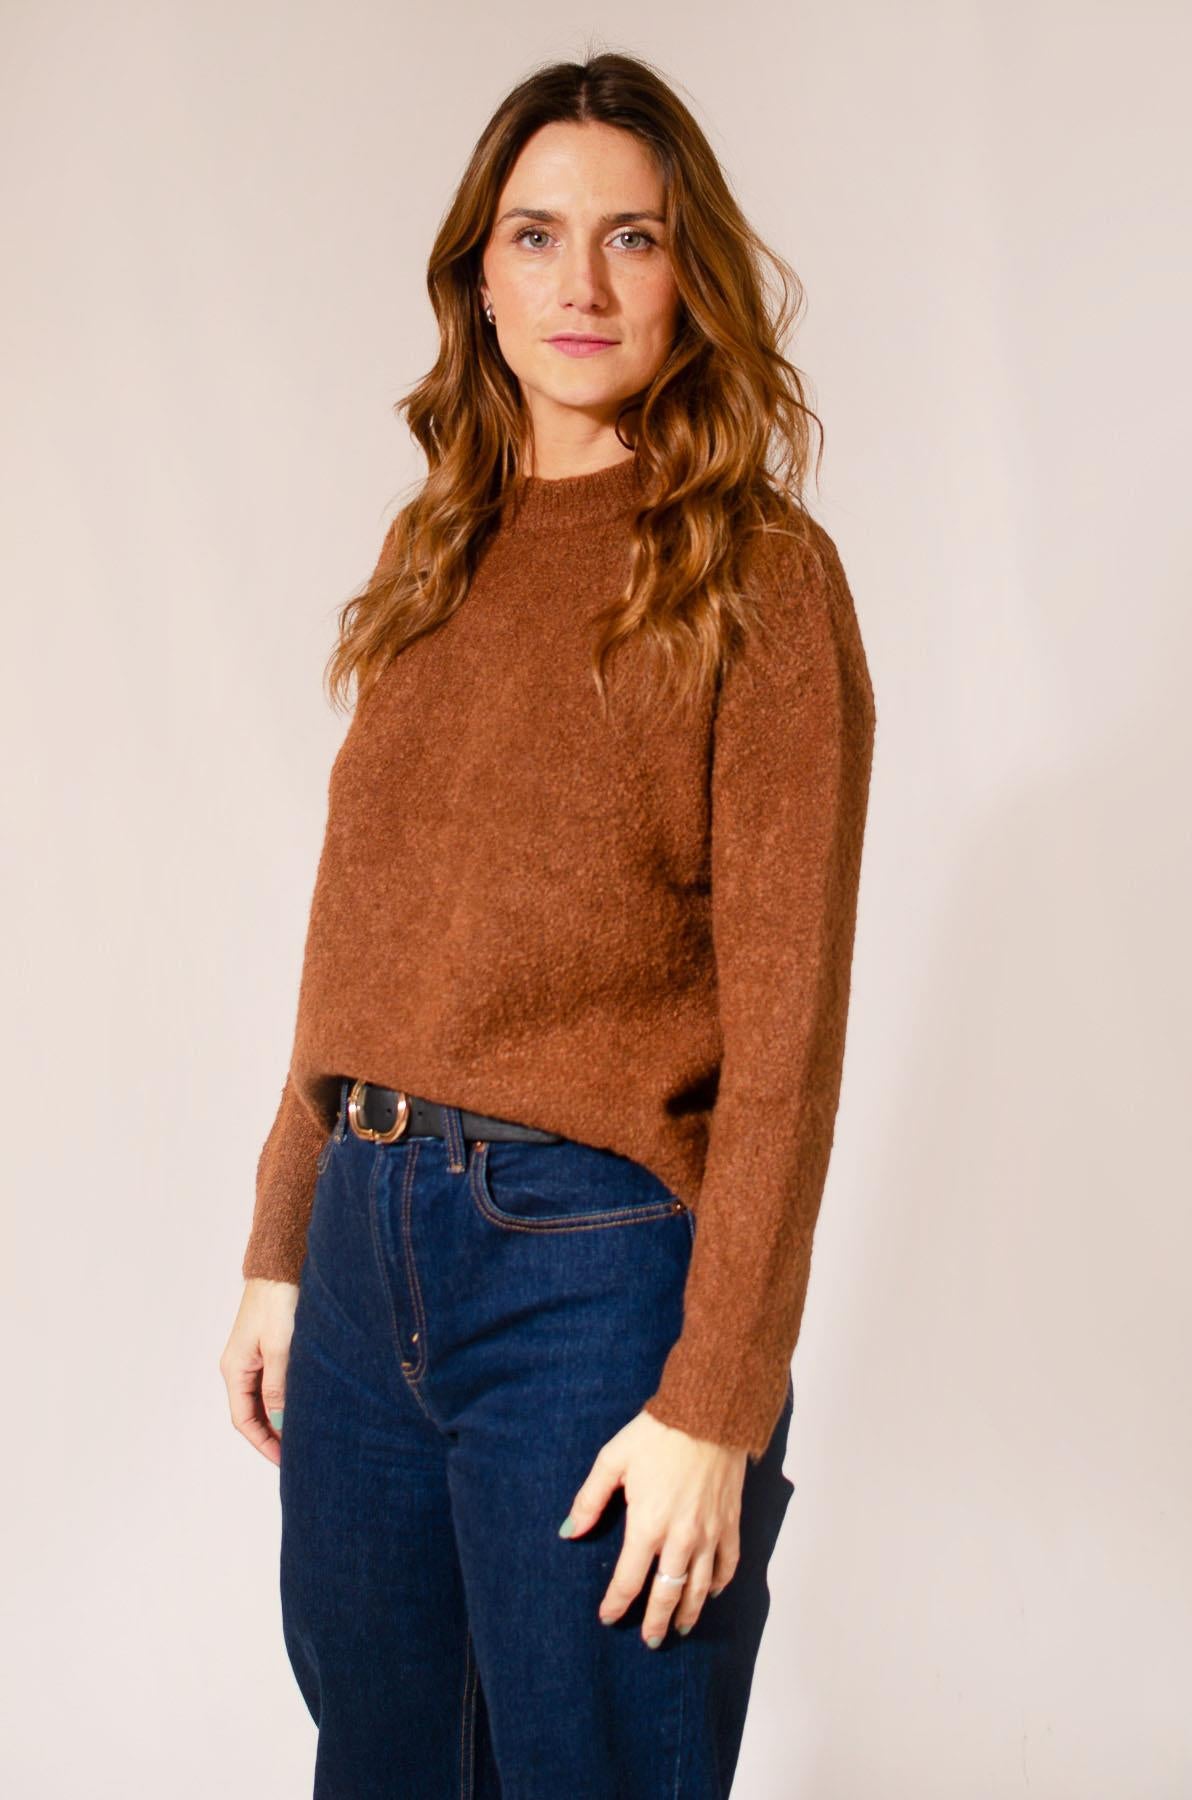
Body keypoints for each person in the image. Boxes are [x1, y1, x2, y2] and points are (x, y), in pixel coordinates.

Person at [219, 49, 876, 1799]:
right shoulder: (436, 551)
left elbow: (790, 1038)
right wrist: (284, 1242)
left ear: (689, 275)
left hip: (589, 1272)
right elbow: (362, 930)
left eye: (631, 237)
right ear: (481, 279)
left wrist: (720, 1397)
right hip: (363, 1247)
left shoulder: (758, 576)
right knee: (381, 1766)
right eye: (536, 235)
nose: (581, 282)